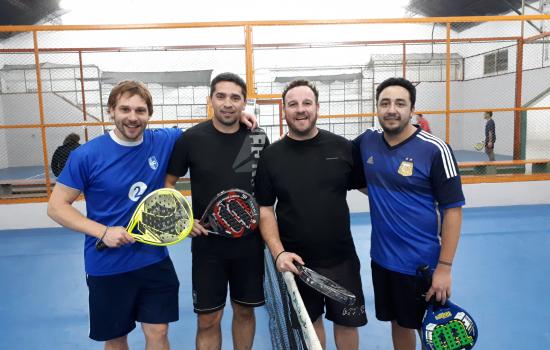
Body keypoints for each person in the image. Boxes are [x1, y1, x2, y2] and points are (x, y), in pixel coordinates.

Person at [47, 80, 257, 350]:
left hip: (153, 259)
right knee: (116, 338)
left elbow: (209, 129)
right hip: (107, 265)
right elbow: (56, 207)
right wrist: (102, 231)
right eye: (125, 109)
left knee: (158, 331)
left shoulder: (163, 140)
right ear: (111, 111)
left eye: (140, 110)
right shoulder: (87, 156)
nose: (132, 117)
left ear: (149, 114)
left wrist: (237, 115)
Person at [353, 77, 465, 350]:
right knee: (399, 324)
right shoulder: (366, 141)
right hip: (382, 259)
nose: (392, 109)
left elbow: (452, 210)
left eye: (400, 103)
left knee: (432, 331)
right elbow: (333, 156)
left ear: (412, 109)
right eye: (385, 103)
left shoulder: (435, 149)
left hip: (422, 266)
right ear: (377, 108)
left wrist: (444, 268)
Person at [255, 80, 368, 350]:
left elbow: (375, 193)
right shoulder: (271, 157)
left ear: (317, 107)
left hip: (342, 259)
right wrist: (278, 252)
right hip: (298, 262)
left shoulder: (343, 148)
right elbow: (266, 210)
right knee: (311, 326)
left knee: (348, 325)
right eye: (292, 104)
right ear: (284, 111)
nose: (300, 109)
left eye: (307, 103)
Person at [165, 72, 269, 350]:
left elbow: (266, 191)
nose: (227, 103)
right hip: (207, 247)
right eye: (221, 96)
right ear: (210, 100)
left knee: (245, 312)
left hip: (249, 245)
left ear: (243, 103)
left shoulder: (257, 138)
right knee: (208, 320)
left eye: (235, 97)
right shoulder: (191, 139)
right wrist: (183, 220)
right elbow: (168, 184)